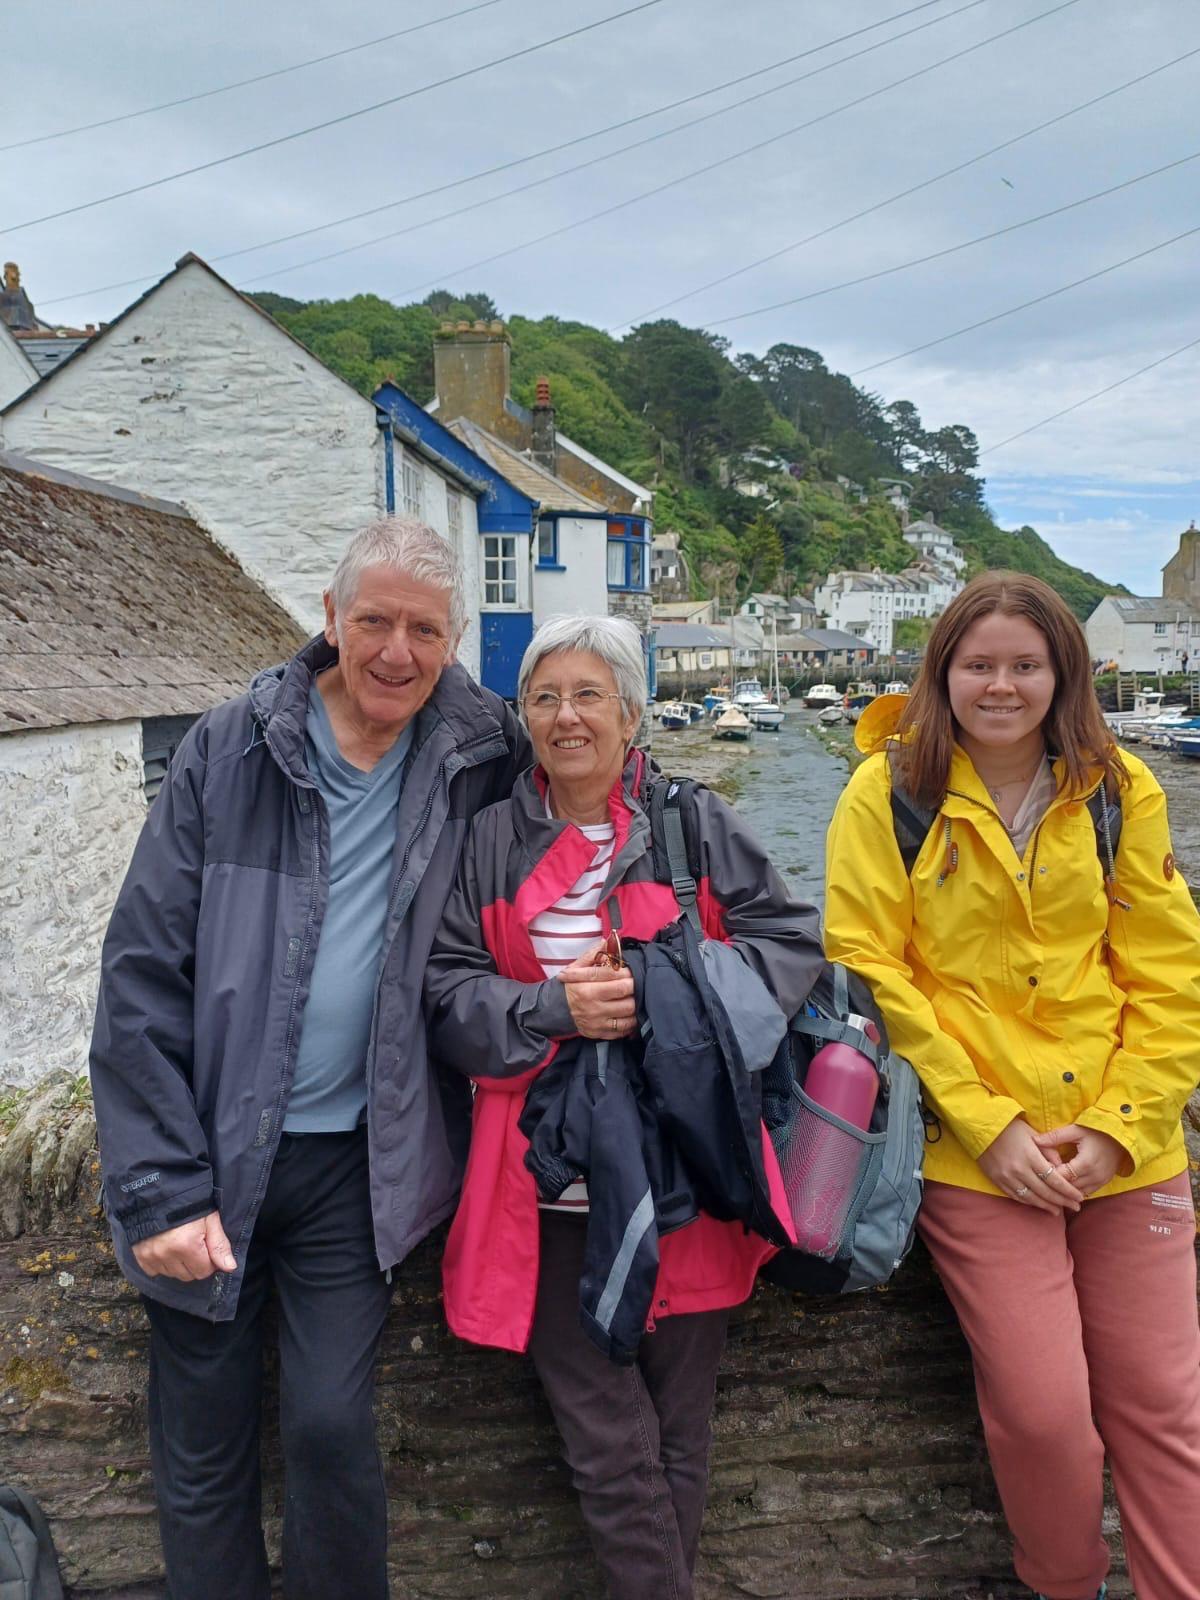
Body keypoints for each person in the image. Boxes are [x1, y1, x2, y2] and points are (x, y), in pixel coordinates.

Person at [89, 517, 530, 1600]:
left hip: (355, 1167)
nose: (396, 652)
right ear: (329, 620)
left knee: (331, 1430)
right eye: (373, 620)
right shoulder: (230, 746)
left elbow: (590, 795)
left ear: (454, 637)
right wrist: (158, 1190)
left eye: (424, 629)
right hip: (210, 1153)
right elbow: (141, 971)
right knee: (203, 1448)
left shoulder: (479, 752)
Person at [424, 615, 824, 1600]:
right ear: (523, 717)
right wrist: (549, 1006)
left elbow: (789, 942)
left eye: (589, 694)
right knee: (606, 1437)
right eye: (546, 697)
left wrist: (668, 994)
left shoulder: (692, 821)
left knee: (678, 1432)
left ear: (632, 713)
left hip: (683, 1162)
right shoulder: (484, 841)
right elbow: (445, 993)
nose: (566, 716)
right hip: (545, 1181)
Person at [824, 572, 1200, 1600]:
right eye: (978, 663)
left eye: (1024, 664)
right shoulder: (888, 793)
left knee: (1165, 1409)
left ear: (1061, 674)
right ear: (942, 672)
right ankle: (1065, 1583)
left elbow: (1169, 979)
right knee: (1041, 1413)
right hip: (973, 1152)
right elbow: (872, 968)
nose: (1001, 684)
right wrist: (989, 1125)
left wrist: (1122, 1125)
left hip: (1127, 1145)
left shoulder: (1122, 790)